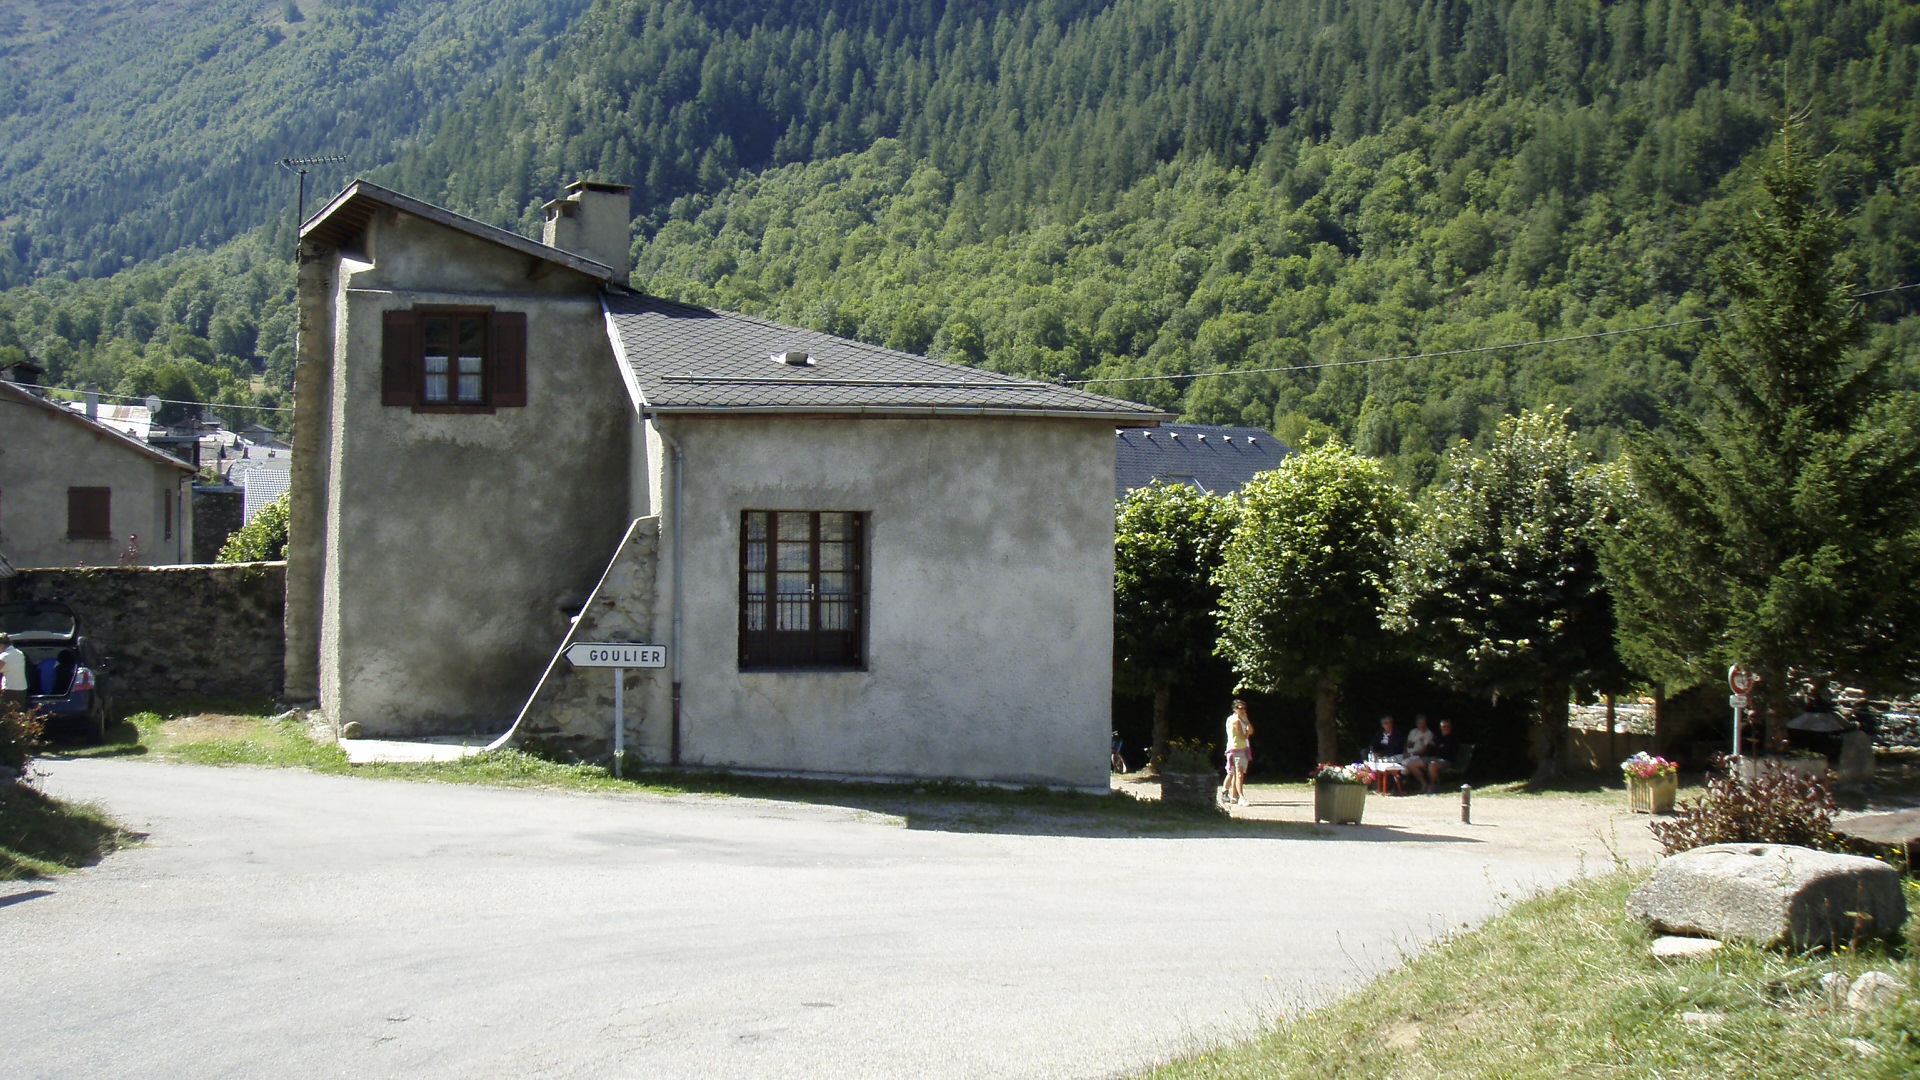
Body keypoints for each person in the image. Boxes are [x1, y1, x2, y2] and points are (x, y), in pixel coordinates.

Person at [1411, 718, 1461, 791]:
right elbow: (1430, 747)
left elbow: (1448, 753)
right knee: (1411, 764)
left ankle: (1433, 785)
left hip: (1446, 760)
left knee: (1432, 765)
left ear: (1450, 727)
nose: (1445, 728)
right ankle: (1424, 784)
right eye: (1443, 726)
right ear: (1440, 727)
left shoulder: (1453, 738)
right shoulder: (1438, 737)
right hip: (1434, 758)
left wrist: (1437, 747)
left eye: (1447, 726)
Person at [1222, 698, 1254, 806]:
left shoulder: (1243, 720)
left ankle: (1234, 796)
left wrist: (1247, 722)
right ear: (1235, 709)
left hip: (1243, 748)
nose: (1243, 710)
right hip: (1235, 749)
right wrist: (1247, 734)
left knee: (1235, 774)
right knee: (1237, 774)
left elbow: (1251, 730)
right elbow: (1242, 735)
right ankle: (1241, 797)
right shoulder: (1234, 720)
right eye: (1240, 708)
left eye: (1244, 708)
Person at [1402, 714, 1438, 793]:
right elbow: (1407, 744)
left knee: (1405, 764)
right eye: (1419, 723)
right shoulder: (1413, 731)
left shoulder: (1428, 734)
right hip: (1407, 754)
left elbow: (1424, 750)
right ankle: (1400, 785)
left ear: (1426, 723)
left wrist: (1410, 754)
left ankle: (1419, 784)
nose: (1421, 725)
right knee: (1393, 761)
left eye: (1423, 723)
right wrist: (1405, 752)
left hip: (1418, 756)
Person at [0, 633, 26, 710]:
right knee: (19, 713)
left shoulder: (5, 656)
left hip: (9, 690)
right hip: (22, 689)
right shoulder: (20, 653)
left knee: (7, 714)